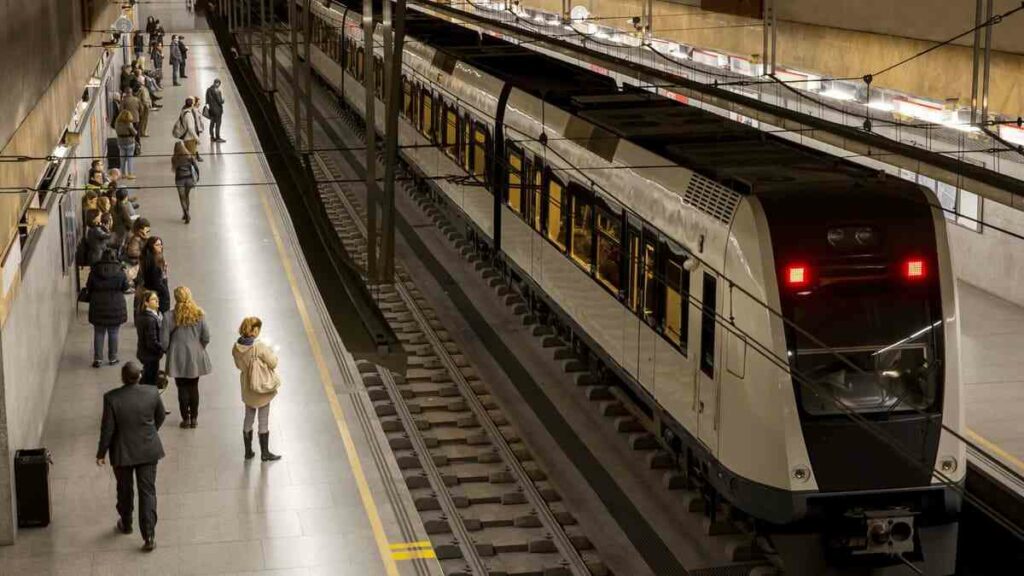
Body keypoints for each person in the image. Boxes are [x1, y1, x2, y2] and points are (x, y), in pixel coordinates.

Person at [96, 361, 165, 552]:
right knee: (147, 492)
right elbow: (160, 416)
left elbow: (107, 429)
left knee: (124, 489)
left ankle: (126, 523)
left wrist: (101, 453)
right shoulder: (152, 392)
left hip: (122, 452)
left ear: (122, 378)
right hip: (148, 450)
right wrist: (151, 432)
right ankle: (149, 536)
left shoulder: (111, 398)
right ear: (139, 376)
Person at [232, 317, 282, 461]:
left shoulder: (235, 348)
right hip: (261, 389)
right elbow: (273, 363)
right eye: (258, 329)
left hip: (247, 387)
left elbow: (238, 366)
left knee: (248, 417)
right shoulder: (258, 347)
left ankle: (248, 452)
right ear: (254, 331)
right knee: (263, 419)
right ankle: (265, 453)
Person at [161, 286, 212, 428]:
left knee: (181, 387)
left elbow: (164, 342)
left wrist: (169, 351)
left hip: (177, 355)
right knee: (193, 386)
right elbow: (206, 337)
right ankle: (194, 418)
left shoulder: (168, 316)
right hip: (195, 355)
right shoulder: (199, 314)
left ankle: (185, 419)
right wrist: (199, 347)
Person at [87, 249, 130, 368]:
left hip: (97, 305)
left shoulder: (94, 271)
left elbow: (89, 286)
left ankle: (98, 358)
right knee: (113, 332)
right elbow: (125, 287)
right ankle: (113, 357)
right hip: (115, 305)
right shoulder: (120, 272)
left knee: (99, 332)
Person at [136, 290, 165, 387]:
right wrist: (163, 348)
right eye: (153, 299)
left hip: (145, 353)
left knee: (148, 375)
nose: (157, 300)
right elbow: (152, 341)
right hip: (150, 355)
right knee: (151, 380)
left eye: (157, 298)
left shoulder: (147, 315)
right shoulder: (150, 319)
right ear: (146, 303)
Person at [140, 236, 170, 315]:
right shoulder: (153, 262)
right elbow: (156, 281)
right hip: (158, 293)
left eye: (161, 244)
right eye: (157, 245)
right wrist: (165, 291)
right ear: (151, 247)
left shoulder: (151, 258)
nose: (160, 246)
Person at [171, 141, 199, 223]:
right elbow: (196, 167)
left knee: (182, 198)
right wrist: (198, 176)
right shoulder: (189, 156)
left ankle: (186, 213)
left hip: (179, 180)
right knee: (187, 196)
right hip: (189, 179)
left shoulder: (174, 158)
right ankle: (186, 213)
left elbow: (174, 169)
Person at [123, 217, 150, 288]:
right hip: (134, 263)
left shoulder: (139, 238)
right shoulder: (136, 239)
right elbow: (132, 252)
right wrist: (143, 253)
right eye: (146, 229)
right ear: (140, 230)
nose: (148, 231)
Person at [114, 109, 137, 179]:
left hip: (120, 142)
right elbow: (134, 133)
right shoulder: (129, 124)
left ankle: (123, 174)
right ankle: (130, 174)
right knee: (130, 158)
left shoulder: (117, 123)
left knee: (122, 159)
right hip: (129, 142)